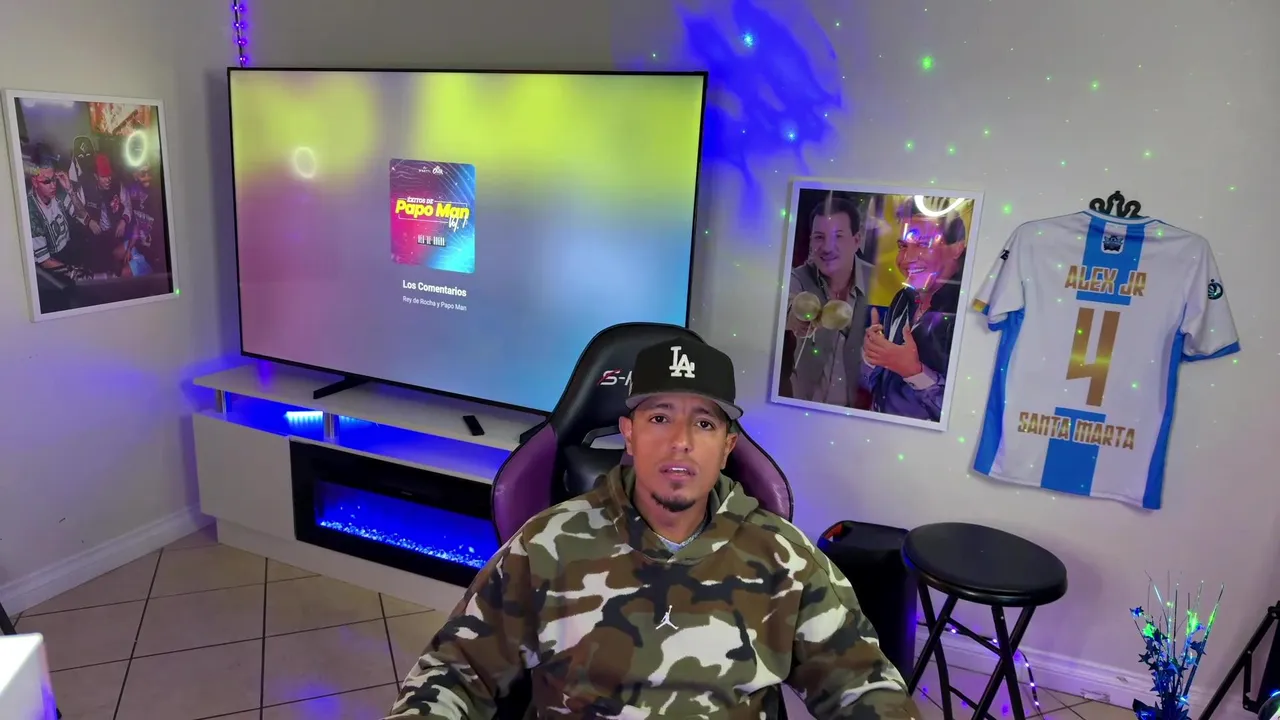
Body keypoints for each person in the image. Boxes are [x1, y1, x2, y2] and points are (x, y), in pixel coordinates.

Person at [387, 339, 919, 720]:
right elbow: (453, 673)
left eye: (704, 423)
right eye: (659, 418)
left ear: (728, 446)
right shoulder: (547, 545)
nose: (680, 440)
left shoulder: (785, 558)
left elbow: (863, 683)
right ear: (629, 434)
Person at [860, 210, 967, 422]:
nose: (906, 259)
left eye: (923, 244)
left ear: (957, 248)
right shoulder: (903, 297)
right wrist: (872, 356)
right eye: (903, 246)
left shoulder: (967, 311)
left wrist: (914, 372)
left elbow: (967, 412)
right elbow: (876, 386)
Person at [784, 195, 873, 407]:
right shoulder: (797, 277)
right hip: (803, 407)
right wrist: (799, 319)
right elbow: (788, 308)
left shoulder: (877, 281)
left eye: (838, 236)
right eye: (819, 237)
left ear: (856, 240)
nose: (827, 247)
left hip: (862, 414)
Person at [24, 145, 91, 282]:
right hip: (53, 264)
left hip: (70, 249)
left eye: (54, 179)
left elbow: (83, 216)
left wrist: (70, 190)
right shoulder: (31, 211)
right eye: (46, 182)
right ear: (35, 182)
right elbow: (45, 261)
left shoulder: (59, 192)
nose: (53, 185)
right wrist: (73, 272)